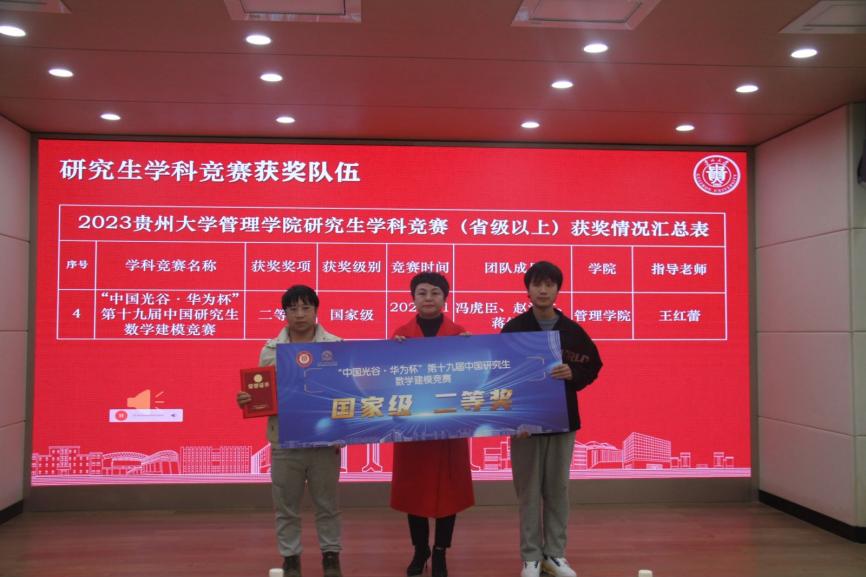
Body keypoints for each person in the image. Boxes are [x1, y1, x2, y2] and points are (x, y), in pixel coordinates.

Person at [501, 261, 603, 577]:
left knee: (557, 490)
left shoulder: (572, 331)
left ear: (558, 289)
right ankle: (531, 556)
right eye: (537, 284)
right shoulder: (514, 329)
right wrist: (512, 420)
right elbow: (500, 375)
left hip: (562, 421)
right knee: (528, 492)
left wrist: (574, 373)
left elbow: (593, 366)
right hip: (525, 425)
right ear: (528, 289)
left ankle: (555, 555)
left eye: (549, 284)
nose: (543, 290)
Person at [236, 285, 344, 577]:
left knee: (327, 505)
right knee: (285, 506)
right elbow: (263, 392)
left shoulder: (336, 345)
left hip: (324, 441)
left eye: (306, 307)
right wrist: (249, 399)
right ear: (284, 312)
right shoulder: (271, 350)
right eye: (293, 308)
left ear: (316, 310)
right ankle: (290, 558)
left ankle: (331, 557)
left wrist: (341, 431)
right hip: (285, 439)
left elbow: (344, 393)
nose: (299, 314)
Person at [390, 272, 475, 577]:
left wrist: (471, 351)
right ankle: (419, 550)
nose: (428, 298)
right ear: (413, 298)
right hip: (412, 430)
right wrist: (392, 353)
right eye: (422, 292)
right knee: (414, 492)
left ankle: (440, 552)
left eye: (435, 293)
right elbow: (388, 381)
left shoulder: (460, 335)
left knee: (448, 494)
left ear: (445, 298)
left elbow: (472, 380)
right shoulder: (400, 335)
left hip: (448, 429)